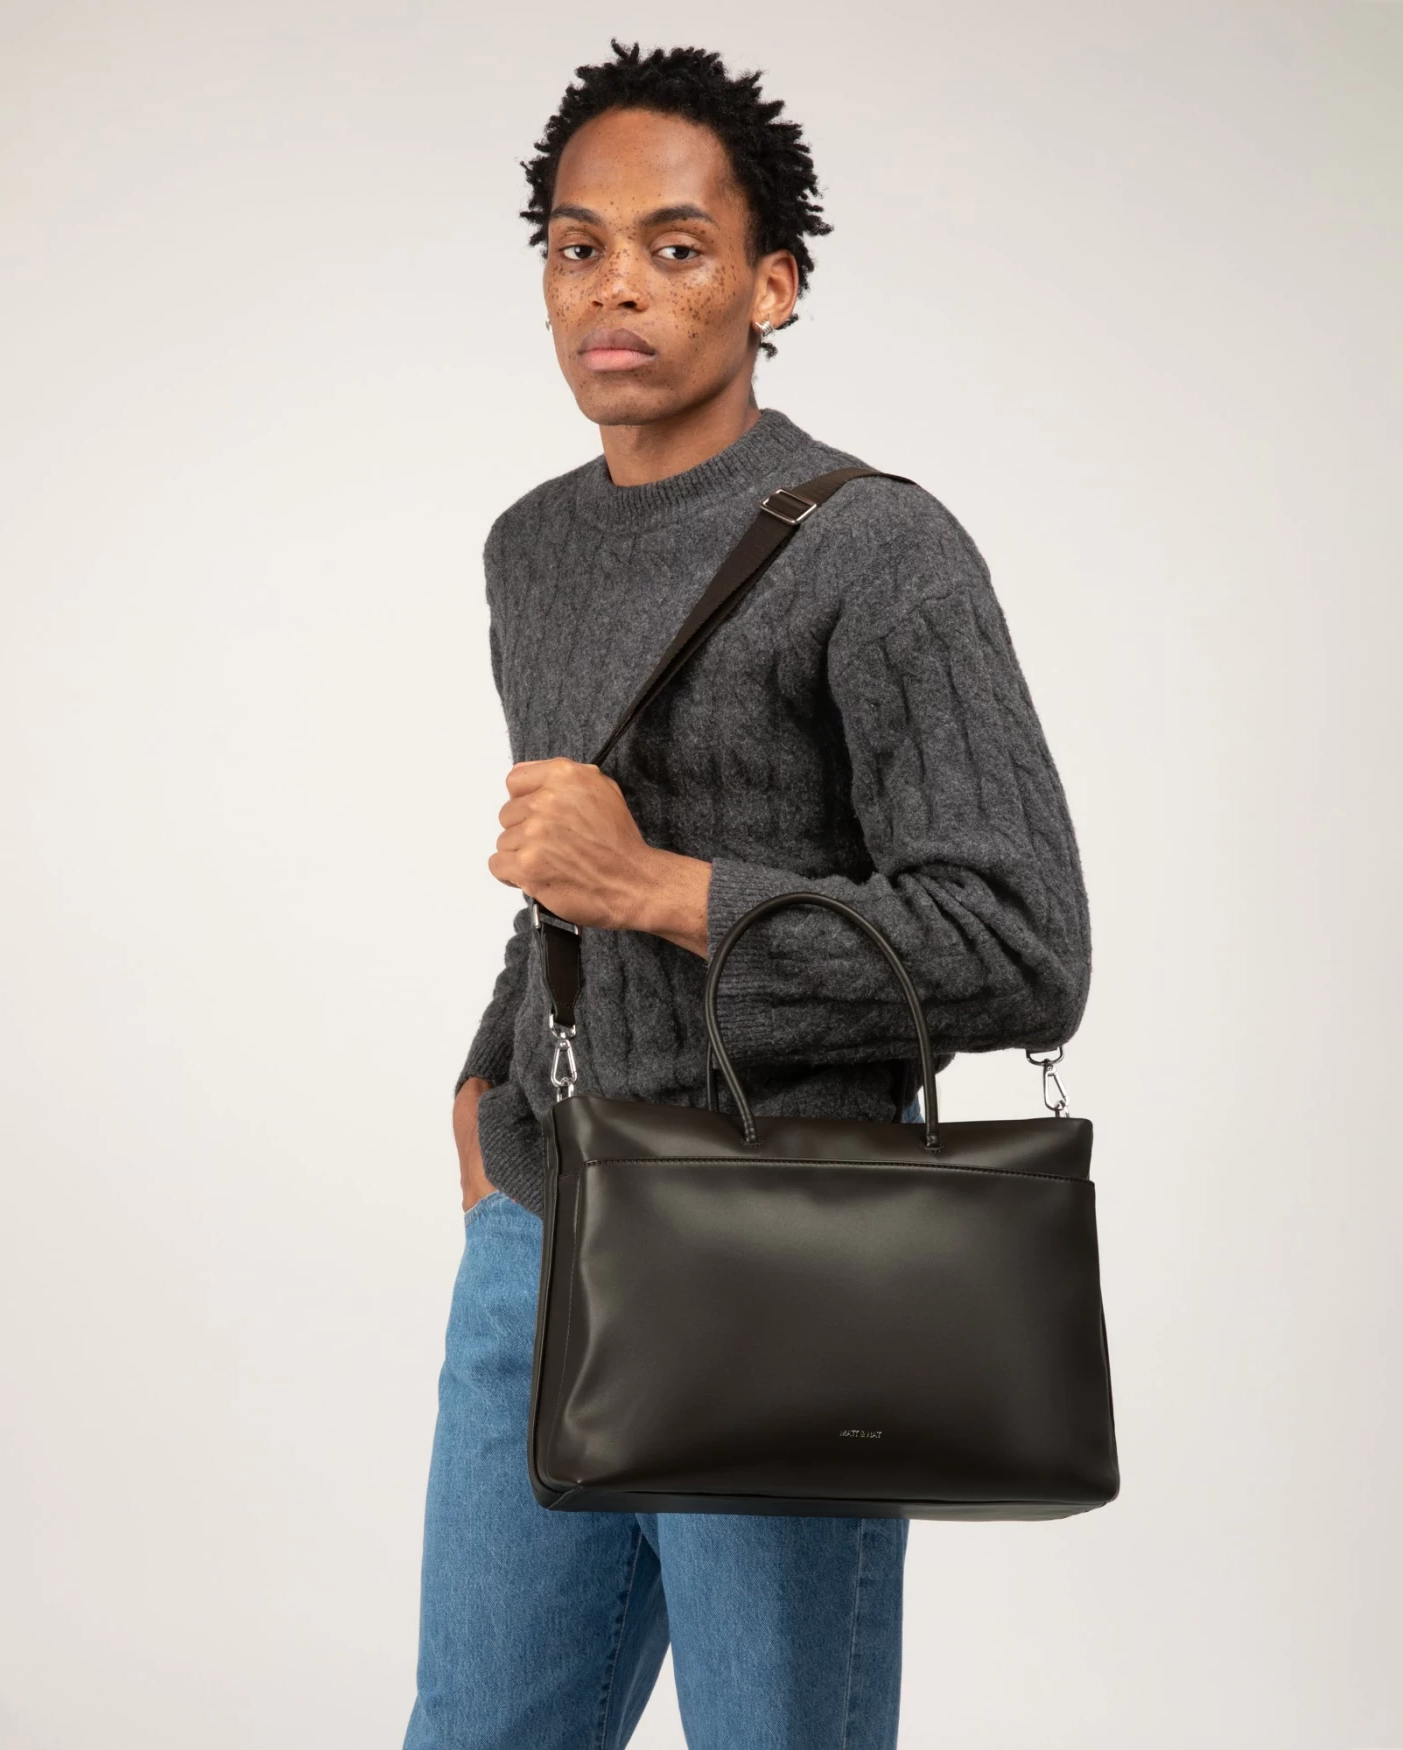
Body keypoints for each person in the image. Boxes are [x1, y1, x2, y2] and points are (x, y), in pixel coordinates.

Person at [403, 40, 1092, 1750]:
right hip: (543, 1228)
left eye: (676, 246)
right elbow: (560, 865)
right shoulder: (530, 547)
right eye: (578, 247)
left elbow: (1022, 941)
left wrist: (660, 888)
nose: (616, 287)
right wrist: (487, 1081)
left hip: (784, 1243)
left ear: (773, 284)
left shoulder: (880, 549)